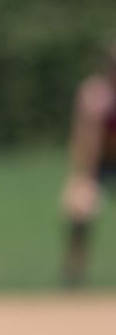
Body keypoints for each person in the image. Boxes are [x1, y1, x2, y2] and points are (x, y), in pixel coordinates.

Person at [61, 37, 116, 288]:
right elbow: (83, 135)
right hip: (98, 166)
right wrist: (81, 175)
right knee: (79, 208)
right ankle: (74, 274)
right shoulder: (95, 94)